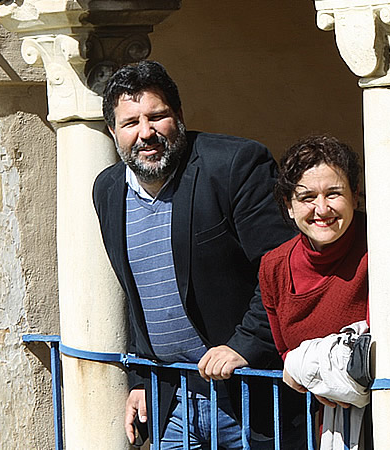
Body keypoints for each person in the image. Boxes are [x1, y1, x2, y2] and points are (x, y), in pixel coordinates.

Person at [92, 60, 303, 449]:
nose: (146, 133)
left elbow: (283, 269)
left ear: (180, 116)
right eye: (131, 123)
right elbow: (137, 291)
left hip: (250, 396)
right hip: (170, 401)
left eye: (157, 116)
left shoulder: (235, 166)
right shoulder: (108, 190)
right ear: (112, 132)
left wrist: (244, 345)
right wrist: (142, 380)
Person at [259, 135, 370, 449]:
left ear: (355, 198)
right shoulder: (274, 267)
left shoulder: (380, 244)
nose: (322, 209)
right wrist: (318, 377)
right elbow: (287, 356)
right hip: (329, 423)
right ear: (289, 206)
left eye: (334, 194)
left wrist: (316, 369)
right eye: (307, 197)